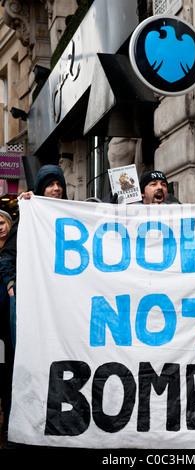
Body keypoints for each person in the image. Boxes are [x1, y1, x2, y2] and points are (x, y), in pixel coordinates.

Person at [0, 165, 67, 447]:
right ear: (40, 188)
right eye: (49, 184)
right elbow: (7, 258)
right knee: (29, 362)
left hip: (63, 306)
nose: (55, 189)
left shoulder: (72, 216)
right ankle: (28, 424)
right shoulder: (29, 216)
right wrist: (12, 284)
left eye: (59, 185)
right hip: (34, 305)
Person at [0, 211, 14, 440]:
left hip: (8, 323)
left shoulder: (19, 248)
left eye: (2, 222)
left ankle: (9, 417)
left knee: (8, 370)